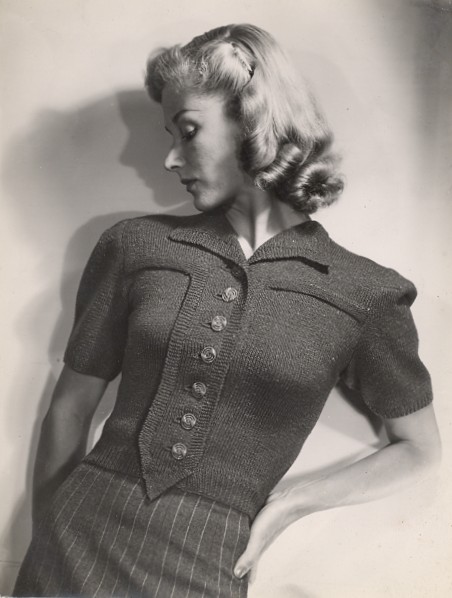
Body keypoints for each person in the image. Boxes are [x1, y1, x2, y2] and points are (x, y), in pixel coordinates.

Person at [14, 23, 441, 598]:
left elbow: (419, 449)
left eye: (188, 131)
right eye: (170, 135)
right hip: (76, 540)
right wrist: (44, 540)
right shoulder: (134, 246)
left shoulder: (366, 293)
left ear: (252, 119)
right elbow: (70, 407)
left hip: (212, 558)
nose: (170, 158)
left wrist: (290, 505)